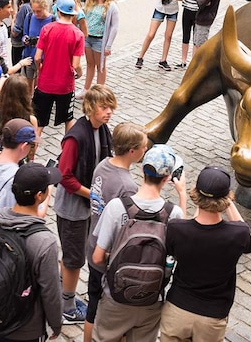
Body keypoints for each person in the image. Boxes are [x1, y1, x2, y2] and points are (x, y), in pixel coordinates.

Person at [91, 144, 187, 342]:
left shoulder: (117, 207)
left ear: (143, 169)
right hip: (151, 301)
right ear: (167, 178)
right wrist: (183, 195)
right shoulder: (173, 214)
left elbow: (98, 257)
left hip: (114, 299)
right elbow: (181, 247)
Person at [160, 166, 251, 342]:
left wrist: (182, 195)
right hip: (212, 316)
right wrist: (228, 203)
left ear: (196, 193)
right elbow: (250, 243)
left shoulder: (176, 229)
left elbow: (187, 228)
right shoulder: (238, 234)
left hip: (177, 310)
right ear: (227, 198)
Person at [0, 161, 63, 342]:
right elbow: (51, 292)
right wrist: (56, 324)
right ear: (40, 196)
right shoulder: (44, 242)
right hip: (23, 328)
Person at [54, 84, 117, 324]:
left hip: (86, 206)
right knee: (74, 259)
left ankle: (64, 295)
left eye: (111, 107)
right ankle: (67, 308)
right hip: (73, 209)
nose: (109, 111)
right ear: (90, 107)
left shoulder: (102, 129)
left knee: (72, 254)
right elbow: (65, 176)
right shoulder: (76, 137)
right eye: (104, 107)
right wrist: (92, 194)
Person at [83, 122, 147, 342]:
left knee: (92, 306)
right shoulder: (127, 185)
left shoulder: (103, 165)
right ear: (132, 151)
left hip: (93, 242)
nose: (145, 151)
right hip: (108, 255)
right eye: (143, 147)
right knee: (106, 311)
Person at [32, 0, 85, 139]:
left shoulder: (47, 29)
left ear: (58, 11)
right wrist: (79, 73)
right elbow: (76, 65)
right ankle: (67, 153)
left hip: (45, 83)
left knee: (39, 123)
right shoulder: (78, 34)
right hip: (65, 86)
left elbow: (37, 57)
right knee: (68, 119)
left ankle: (31, 155)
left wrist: (40, 67)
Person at [136, 0, 183, 71]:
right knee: (151, 34)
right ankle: (140, 57)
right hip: (160, 8)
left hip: (173, 10)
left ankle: (163, 60)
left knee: (168, 35)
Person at [82, 0, 119, 91]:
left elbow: (114, 27)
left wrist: (108, 45)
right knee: (90, 64)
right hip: (88, 38)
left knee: (101, 66)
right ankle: (86, 89)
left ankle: (99, 91)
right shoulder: (91, 2)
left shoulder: (111, 6)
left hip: (100, 40)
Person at [11, 0, 43, 66]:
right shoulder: (34, 5)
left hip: (19, 44)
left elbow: (15, 32)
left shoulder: (24, 7)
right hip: (30, 43)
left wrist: (13, 18)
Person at [178, 0, 205, 69]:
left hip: (197, 12)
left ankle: (193, 61)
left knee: (196, 37)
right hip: (187, 10)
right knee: (185, 35)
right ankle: (183, 60)